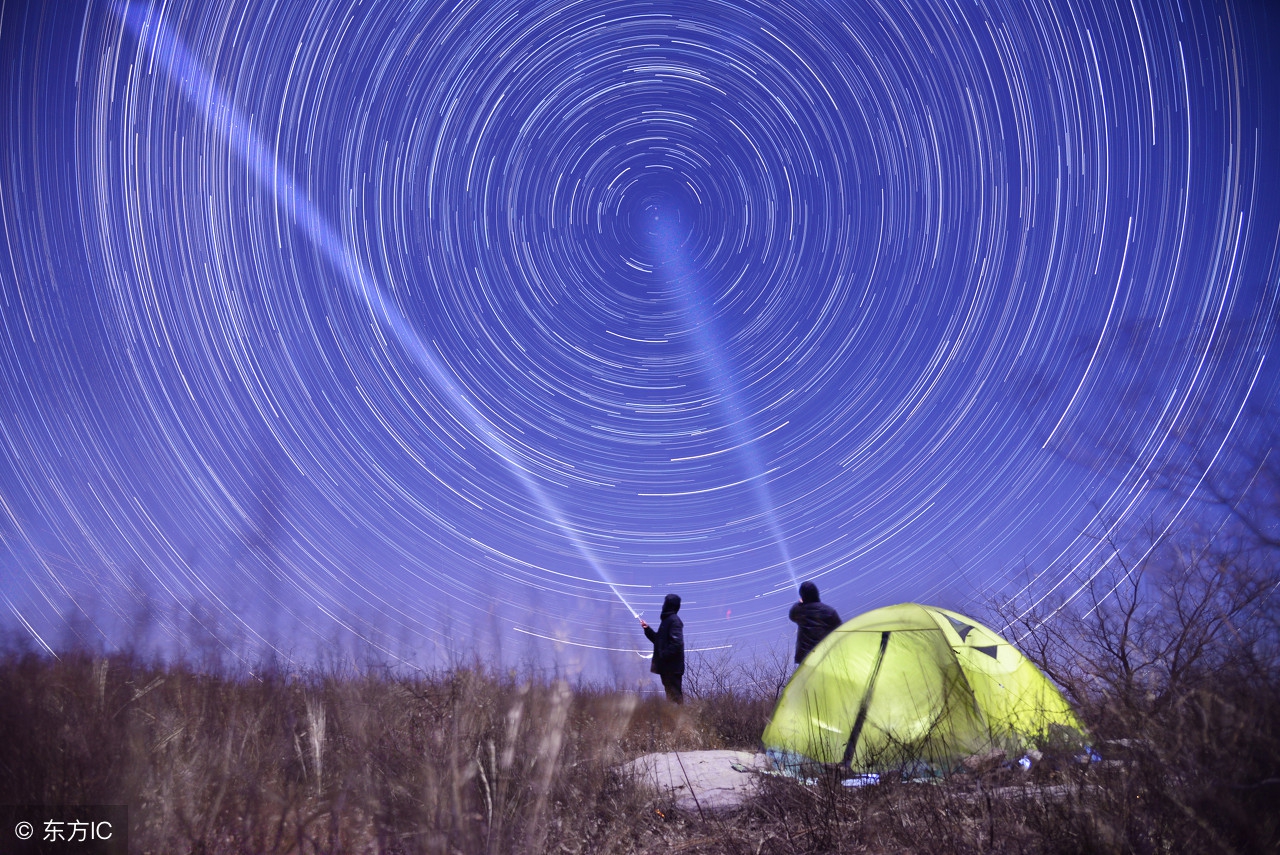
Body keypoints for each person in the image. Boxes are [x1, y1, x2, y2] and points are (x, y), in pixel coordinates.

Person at [640, 593, 685, 703]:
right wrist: (647, 629)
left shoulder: (674, 621)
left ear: (669, 605)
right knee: (671, 697)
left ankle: (680, 719)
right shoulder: (667, 621)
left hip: (672, 667)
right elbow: (658, 641)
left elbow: (677, 643)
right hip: (667, 667)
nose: (663, 606)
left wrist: (663, 655)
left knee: (675, 698)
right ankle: (674, 719)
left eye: (665, 603)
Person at [790, 581, 842, 665]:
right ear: (816, 593)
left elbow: (792, 616)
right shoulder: (830, 611)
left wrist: (800, 603)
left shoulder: (800, 610)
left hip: (806, 658)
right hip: (827, 655)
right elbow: (840, 630)